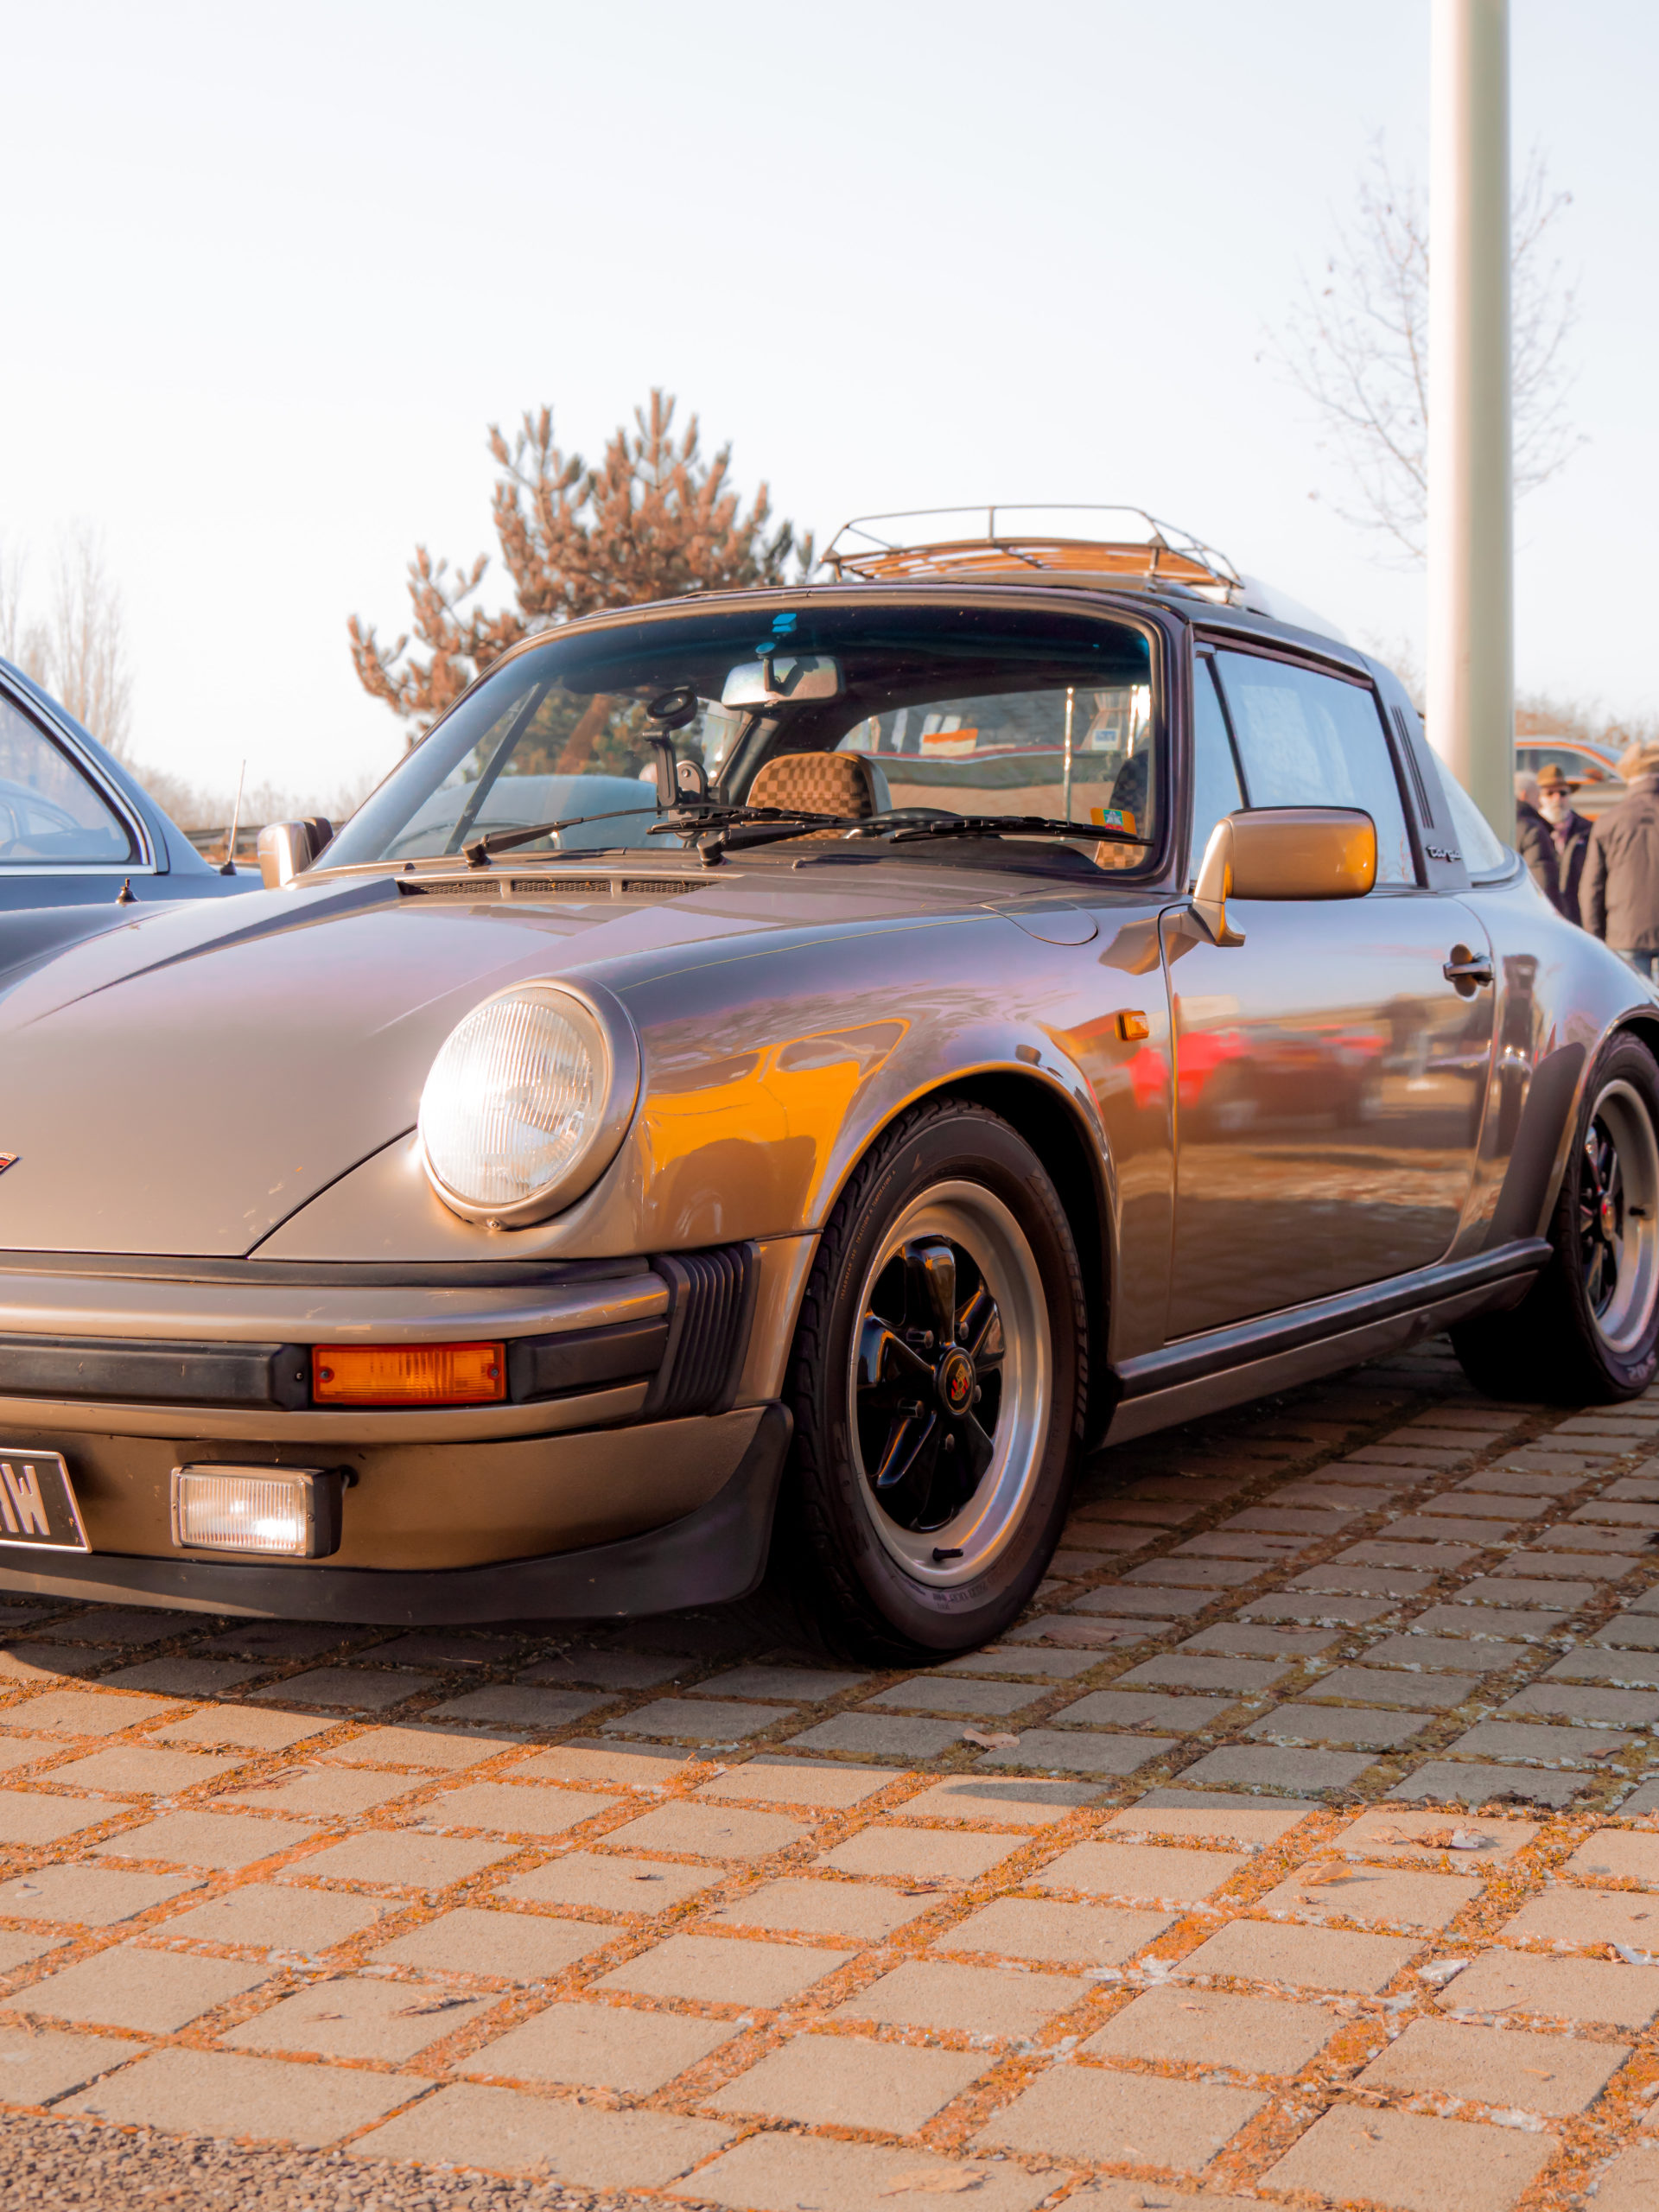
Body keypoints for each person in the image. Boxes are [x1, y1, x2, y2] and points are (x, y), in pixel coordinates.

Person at [1580, 740, 1659, 976]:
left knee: (1636, 1008)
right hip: (1627, 934)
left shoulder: (1609, 821)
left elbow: (1590, 889)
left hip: (1625, 933)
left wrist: (1596, 940)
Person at [1535, 761, 1592, 926]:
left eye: (1562, 793)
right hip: (1543, 915)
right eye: (1550, 793)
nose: (1557, 799)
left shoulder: (1588, 830)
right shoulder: (1530, 830)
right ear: (1539, 798)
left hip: (1578, 916)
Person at [1513, 770, 1562, 912]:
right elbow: (1544, 882)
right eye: (1537, 796)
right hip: (1532, 911)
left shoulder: (1491, 823)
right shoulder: (1532, 829)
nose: (1540, 804)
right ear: (1524, 795)